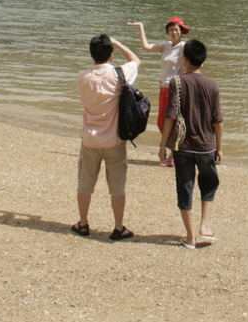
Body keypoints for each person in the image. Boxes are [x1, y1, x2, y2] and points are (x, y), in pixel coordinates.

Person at [73, 33, 141, 241]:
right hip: (114, 139)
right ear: (111, 54)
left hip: (90, 139)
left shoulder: (82, 77)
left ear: (92, 54)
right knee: (117, 186)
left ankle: (83, 223)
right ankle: (118, 227)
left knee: (85, 183)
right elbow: (136, 60)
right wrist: (118, 42)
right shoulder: (118, 74)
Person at [159, 38, 222, 248]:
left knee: (185, 188)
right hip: (207, 146)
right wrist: (219, 147)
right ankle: (205, 225)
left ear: (184, 59)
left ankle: (190, 237)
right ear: (203, 62)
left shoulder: (177, 82)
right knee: (209, 184)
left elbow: (170, 115)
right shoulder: (212, 85)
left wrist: (163, 145)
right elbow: (217, 121)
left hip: (183, 146)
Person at [128, 16, 190, 167]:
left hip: (175, 88)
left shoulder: (184, 46)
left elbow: (192, 63)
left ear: (181, 31)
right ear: (167, 32)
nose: (174, 32)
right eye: (171, 30)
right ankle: (173, 152)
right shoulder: (166, 45)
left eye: (176, 30)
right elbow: (146, 47)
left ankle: (173, 155)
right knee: (161, 121)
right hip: (163, 88)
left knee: (172, 120)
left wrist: (178, 76)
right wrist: (141, 27)